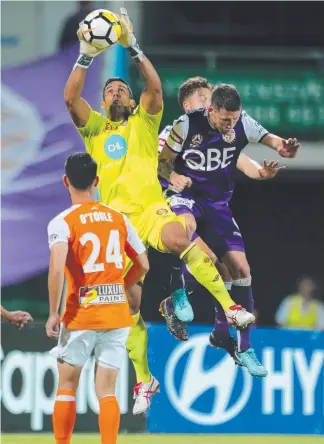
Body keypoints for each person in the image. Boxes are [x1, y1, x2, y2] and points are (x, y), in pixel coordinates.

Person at [64, 8, 255, 414]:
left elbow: (155, 86)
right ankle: (144, 381)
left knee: (180, 238)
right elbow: (70, 98)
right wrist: (85, 55)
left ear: (132, 101)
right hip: (114, 225)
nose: (116, 93)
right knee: (128, 304)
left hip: (151, 211)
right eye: (110, 90)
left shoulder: (145, 124)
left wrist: (132, 46)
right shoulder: (96, 129)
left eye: (122, 90)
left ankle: (230, 307)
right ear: (102, 101)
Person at [158, 81, 299, 377]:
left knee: (240, 270)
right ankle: (177, 293)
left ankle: (237, 342)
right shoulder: (182, 127)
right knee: (193, 238)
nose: (229, 124)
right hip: (185, 199)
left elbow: (261, 149)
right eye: (203, 98)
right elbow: (158, 164)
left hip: (218, 206)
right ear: (200, 107)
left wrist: (278, 155)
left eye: (233, 119)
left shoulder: (238, 125)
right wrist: (173, 177)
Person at [45, 152, 149, 444]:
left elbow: (56, 269)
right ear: (97, 181)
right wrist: (123, 287)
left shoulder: (62, 222)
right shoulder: (119, 219)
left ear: (66, 181)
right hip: (116, 314)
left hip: (81, 314)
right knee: (107, 390)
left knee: (67, 385)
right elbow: (143, 264)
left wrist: (54, 313)